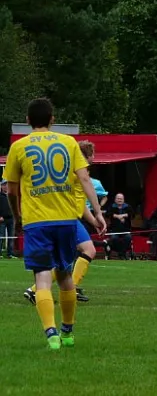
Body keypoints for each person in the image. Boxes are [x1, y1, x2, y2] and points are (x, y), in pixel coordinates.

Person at [2, 98, 105, 349]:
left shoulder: (19, 146)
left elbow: (11, 190)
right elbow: (84, 179)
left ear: (27, 121)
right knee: (65, 275)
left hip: (37, 221)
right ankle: (67, 331)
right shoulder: (69, 142)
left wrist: (17, 217)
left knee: (42, 278)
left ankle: (51, 333)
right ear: (52, 119)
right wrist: (98, 213)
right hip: (66, 219)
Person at [24, 140, 104, 304]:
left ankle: (35, 290)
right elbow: (80, 204)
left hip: (68, 217)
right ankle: (70, 288)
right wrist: (98, 214)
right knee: (89, 250)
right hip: (68, 219)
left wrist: (94, 222)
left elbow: (81, 205)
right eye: (93, 154)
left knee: (65, 260)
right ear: (87, 155)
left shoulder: (71, 169)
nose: (94, 158)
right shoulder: (79, 172)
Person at [107, 193, 134, 259]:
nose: (119, 200)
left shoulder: (128, 207)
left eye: (121, 199)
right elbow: (107, 214)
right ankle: (120, 252)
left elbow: (132, 215)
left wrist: (123, 215)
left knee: (128, 237)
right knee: (114, 238)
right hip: (114, 230)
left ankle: (122, 253)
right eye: (118, 198)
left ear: (123, 200)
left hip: (126, 229)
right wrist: (117, 216)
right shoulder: (112, 206)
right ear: (115, 199)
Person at [0, 180, 16, 258]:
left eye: (6, 185)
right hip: (2, 219)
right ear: (1, 186)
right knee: (1, 236)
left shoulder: (11, 195)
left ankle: (10, 253)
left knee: (11, 237)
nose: (5, 186)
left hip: (11, 219)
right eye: (3, 185)